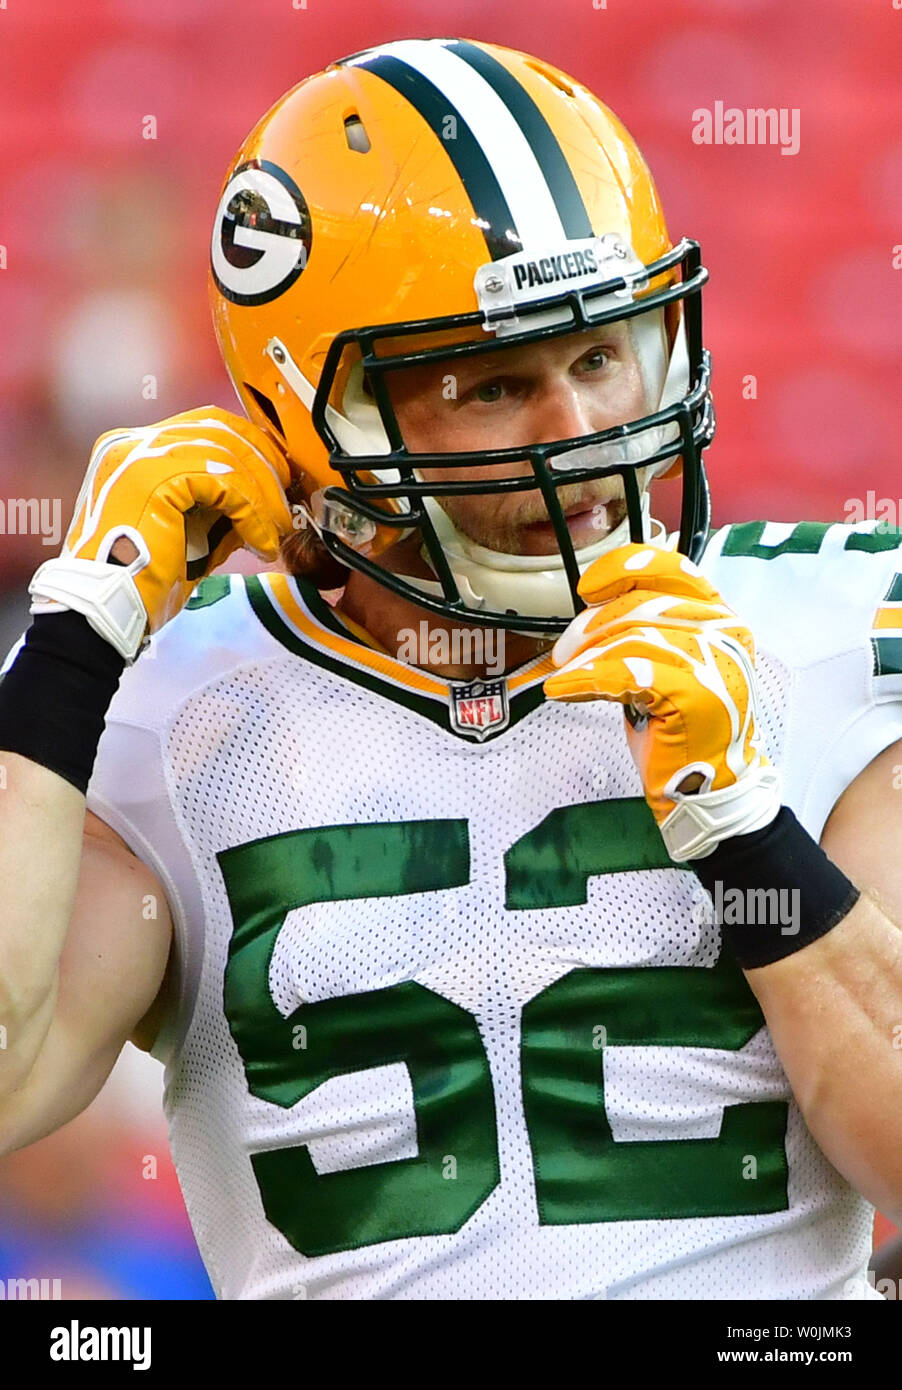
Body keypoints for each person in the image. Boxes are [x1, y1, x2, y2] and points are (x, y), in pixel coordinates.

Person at [1, 36, 901, 1301]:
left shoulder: (817, 627)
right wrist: (74, 641)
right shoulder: (172, 710)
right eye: (493, 385)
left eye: (598, 355)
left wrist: (747, 828)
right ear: (319, 420)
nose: (581, 437)